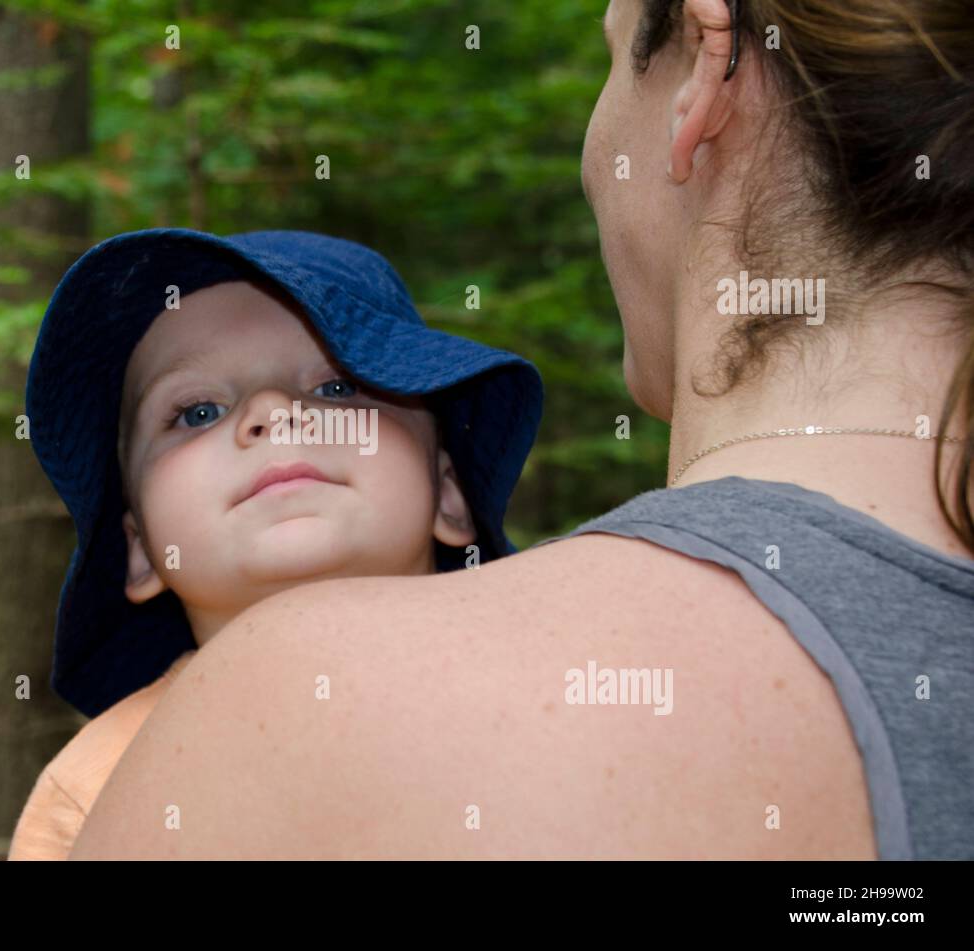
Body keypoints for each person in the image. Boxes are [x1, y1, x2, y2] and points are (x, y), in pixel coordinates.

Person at [69, 0, 974, 859]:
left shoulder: (274, 711)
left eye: (612, 56)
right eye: (195, 412)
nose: (271, 417)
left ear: (707, 58)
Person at [9, 229, 543, 858]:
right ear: (142, 550)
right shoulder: (94, 790)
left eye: (336, 388)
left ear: (448, 491)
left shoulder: (550, 702)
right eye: (197, 412)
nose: (272, 411)